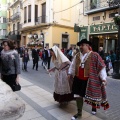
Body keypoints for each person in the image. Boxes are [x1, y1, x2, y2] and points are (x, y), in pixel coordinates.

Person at [68, 39, 109, 120]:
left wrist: (103, 78)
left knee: (92, 96)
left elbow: (101, 67)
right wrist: (70, 73)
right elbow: (73, 65)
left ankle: (94, 108)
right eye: (80, 45)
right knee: (78, 96)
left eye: (82, 45)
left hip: (90, 80)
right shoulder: (77, 55)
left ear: (87, 46)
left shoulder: (94, 55)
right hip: (78, 79)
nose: (80, 47)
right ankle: (79, 113)